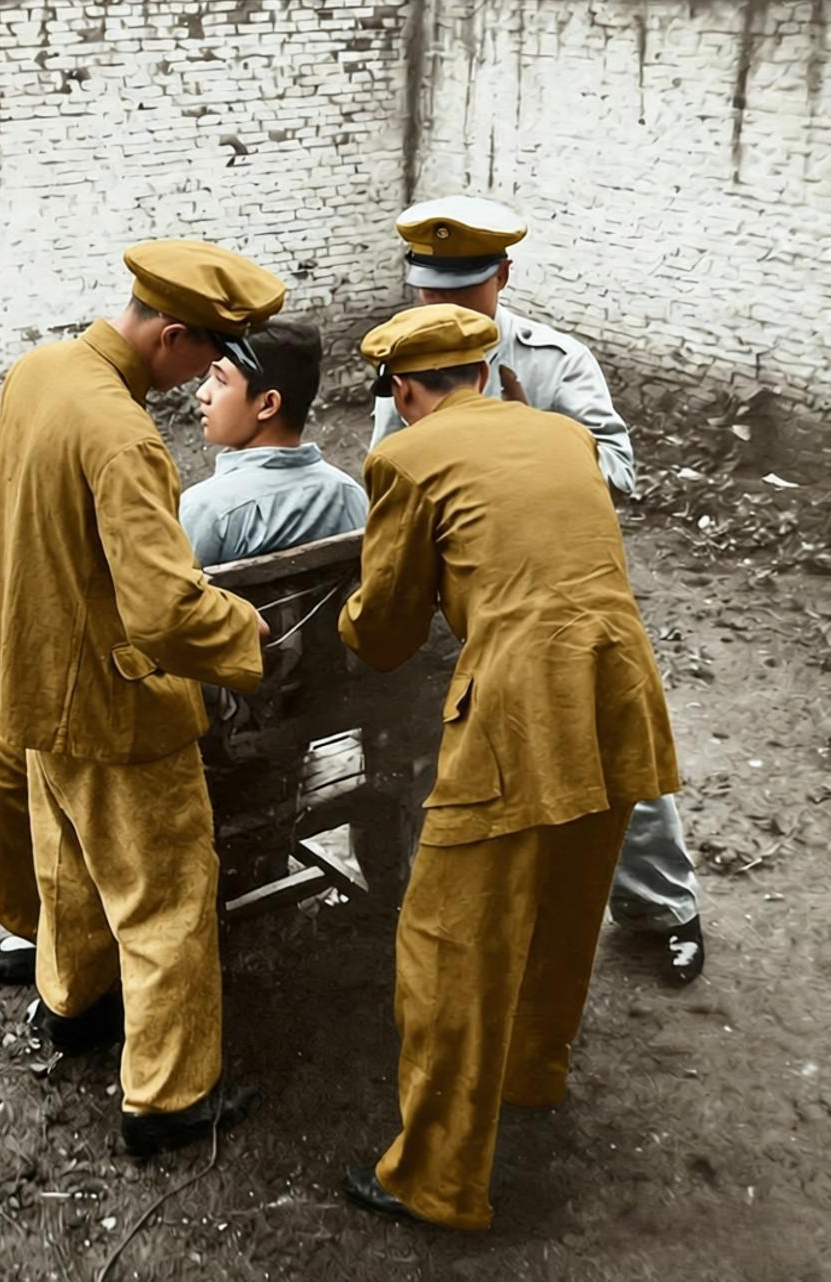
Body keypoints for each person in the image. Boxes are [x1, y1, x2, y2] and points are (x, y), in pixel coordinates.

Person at [339, 303, 680, 1229]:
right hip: (618, 693)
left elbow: (387, 631)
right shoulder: (563, 437)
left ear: (403, 390)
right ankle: (532, 1071)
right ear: (484, 375)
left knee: (447, 941)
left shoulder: (407, 457)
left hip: (520, 713)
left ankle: (435, 1180)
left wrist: (351, 619)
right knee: (567, 902)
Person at [0, 239, 283, 1158]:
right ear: (171, 334)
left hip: (33, 675)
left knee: (68, 855)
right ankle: (168, 1097)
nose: (202, 380)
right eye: (207, 356)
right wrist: (243, 630)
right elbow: (163, 609)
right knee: (166, 893)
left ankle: (74, 1004)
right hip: (111, 700)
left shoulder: (40, 371)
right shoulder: (126, 438)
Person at [372, 195, 703, 985]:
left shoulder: (556, 360)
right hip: (457, 595)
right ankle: (444, 913)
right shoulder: (407, 355)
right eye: (431, 292)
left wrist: (532, 444)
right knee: (447, 755)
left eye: (465, 292)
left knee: (608, 747)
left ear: (503, 277)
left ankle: (664, 906)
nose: (447, 309)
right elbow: (386, 474)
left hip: (550, 587)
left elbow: (618, 470)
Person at [179, 315, 367, 565]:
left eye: (221, 381)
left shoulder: (205, 510)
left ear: (268, 404)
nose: (202, 393)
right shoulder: (349, 495)